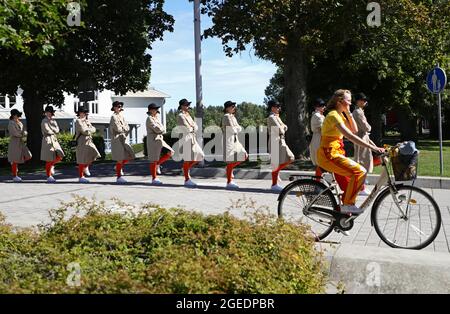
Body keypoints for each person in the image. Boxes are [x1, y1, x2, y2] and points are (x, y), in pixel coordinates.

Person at [316, 89, 384, 214]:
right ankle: (347, 205)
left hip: (335, 153)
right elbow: (351, 136)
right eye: (348, 101)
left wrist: (348, 113)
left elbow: (354, 129)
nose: (350, 104)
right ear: (339, 101)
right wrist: (373, 147)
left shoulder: (340, 114)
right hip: (329, 155)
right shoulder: (333, 115)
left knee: (349, 187)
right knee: (360, 172)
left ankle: (342, 217)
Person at [267, 100, 295, 191]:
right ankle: (274, 184)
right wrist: (283, 127)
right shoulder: (271, 118)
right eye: (277, 106)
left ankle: (276, 174)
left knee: (290, 157)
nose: (279, 108)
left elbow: (284, 127)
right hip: (275, 140)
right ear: (272, 108)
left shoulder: (276, 117)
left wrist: (283, 127)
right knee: (277, 162)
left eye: (279, 106)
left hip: (280, 140)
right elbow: (281, 130)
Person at [177, 98, 205, 187]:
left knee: (200, 155)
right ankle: (187, 179)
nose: (188, 106)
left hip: (192, 138)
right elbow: (186, 128)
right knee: (187, 158)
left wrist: (192, 127)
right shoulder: (181, 116)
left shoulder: (188, 115)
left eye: (188, 105)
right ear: (182, 106)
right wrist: (192, 127)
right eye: (186, 105)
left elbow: (195, 126)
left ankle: (186, 169)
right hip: (185, 139)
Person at [222, 101, 248, 189]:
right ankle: (229, 182)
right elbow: (234, 129)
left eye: (234, 106)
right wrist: (236, 128)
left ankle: (228, 168)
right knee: (231, 160)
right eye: (232, 106)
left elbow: (238, 128)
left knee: (244, 155)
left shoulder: (232, 116)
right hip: (229, 140)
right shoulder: (226, 117)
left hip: (235, 140)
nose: (234, 108)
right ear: (227, 108)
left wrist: (236, 128)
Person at [146, 103, 174, 185]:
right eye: (155, 109)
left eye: (157, 109)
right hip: (153, 140)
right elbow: (158, 129)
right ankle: (154, 178)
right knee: (153, 159)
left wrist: (160, 129)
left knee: (171, 152)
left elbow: (162, 129)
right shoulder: (149, 119)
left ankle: (158, 164)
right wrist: (160, 129)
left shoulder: (156, 118)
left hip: (159, 139)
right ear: (150, 110)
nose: (157, 110)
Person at [352, 93, 373, 195]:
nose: (365, 102)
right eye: (363, 100)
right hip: (361, 138)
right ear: (359, 101)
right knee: (362, 162)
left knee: (363, 161)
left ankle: (361, 185)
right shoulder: (358, 112)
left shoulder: (359, 111)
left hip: (362, 137)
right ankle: (360, 188)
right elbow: (366, 127)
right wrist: (370, 128)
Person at [110, 101, 135, 183]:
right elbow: (118, 128)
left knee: (130, 156)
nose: (119, 108)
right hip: (117, 139)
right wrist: (124, 128)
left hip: (123, 138)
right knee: (120, 158)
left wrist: (124, 128)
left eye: (120, 106)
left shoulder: (121, 116)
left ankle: (117, 167)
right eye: (118, 106)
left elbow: (127, 127)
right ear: (114, 107)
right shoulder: (113, 117)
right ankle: (118, 177)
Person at [75, 105, 100, 183]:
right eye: (82, 113)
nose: (83, 114)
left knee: (95, 153)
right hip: (81, 142)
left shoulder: (87, 121)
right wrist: (89, 130)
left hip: (89, 141)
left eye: (85, 113)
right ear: (79, 113)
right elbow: (83, 131)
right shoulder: (78, 121)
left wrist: (89, 129)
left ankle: (86, 167)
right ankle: (81, 176)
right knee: (81, 159)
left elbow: (94, 129)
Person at [41, 105, 65, 183]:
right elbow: (47, 131)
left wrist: (53, 129)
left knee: (60, 155)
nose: (49, 114)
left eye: (50, 112)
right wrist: (53, 129)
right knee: (49, 158)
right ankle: (48, 176)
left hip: (54, 140)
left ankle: (52, 165)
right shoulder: (44, 121)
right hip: (47, 140)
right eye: (47, 112)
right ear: (45, 113)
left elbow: (57, 130)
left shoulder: (53, 121)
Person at [7, 109, 32, 182]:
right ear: (14, 115)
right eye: (17, 115)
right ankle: (15, 176)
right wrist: (22, 134)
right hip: (14, 143)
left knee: (29, 155)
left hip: (21, 142)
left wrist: (24, 133)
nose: (18, 116)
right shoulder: (11, 123)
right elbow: (14, 133)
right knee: (14, 160)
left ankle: (17, 163)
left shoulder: (20, 123)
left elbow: (24, 131)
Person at [309, 98, 326, 179]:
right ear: (317, 107)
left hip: (320, 137)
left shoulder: (320, 115)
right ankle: (317, 181)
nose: (324, 107)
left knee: (321, 162)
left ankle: (318, 180)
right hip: (318, 138)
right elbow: (324, 128)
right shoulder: (317, 116)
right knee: (320, 162)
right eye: (322, 106)